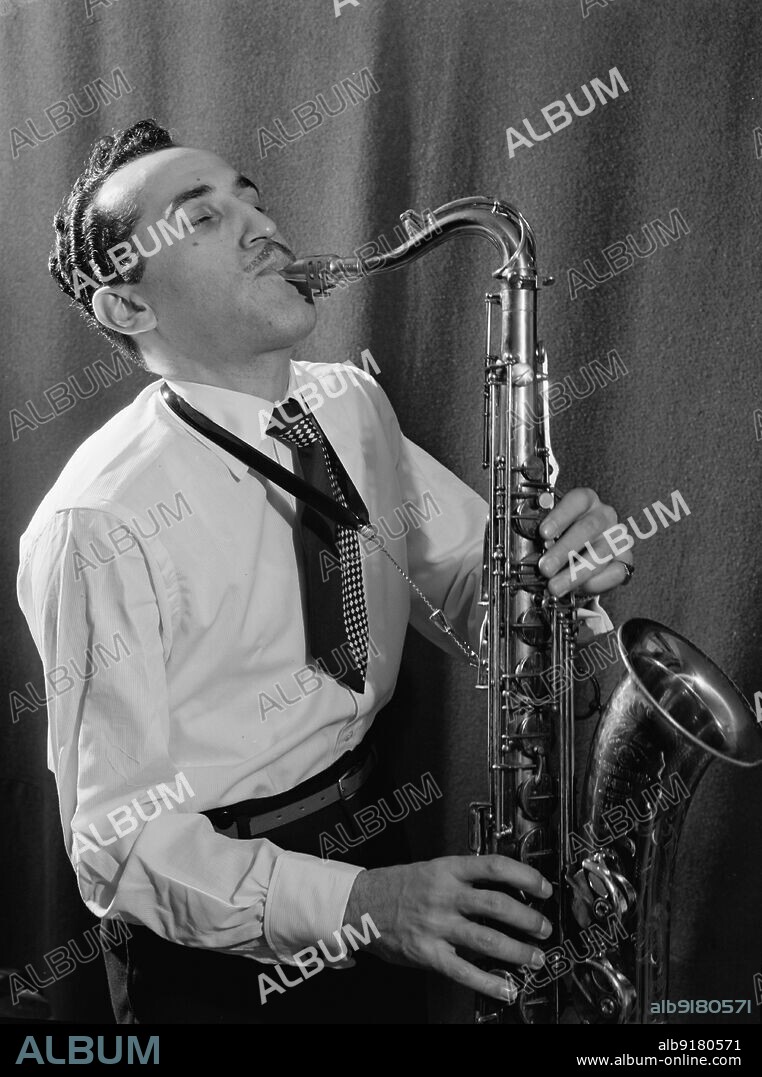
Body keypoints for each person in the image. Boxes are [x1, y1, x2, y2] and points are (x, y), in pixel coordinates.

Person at [17, 119, 632, 1024]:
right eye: (204, 218)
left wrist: (558, 574)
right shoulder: (96, 522)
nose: (263, 226)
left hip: (391, 835)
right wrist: (355, 907)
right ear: (129, 308)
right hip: (215, 936)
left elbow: (470, 580)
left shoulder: (348, 399)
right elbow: (120, 846)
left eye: (252, 199)